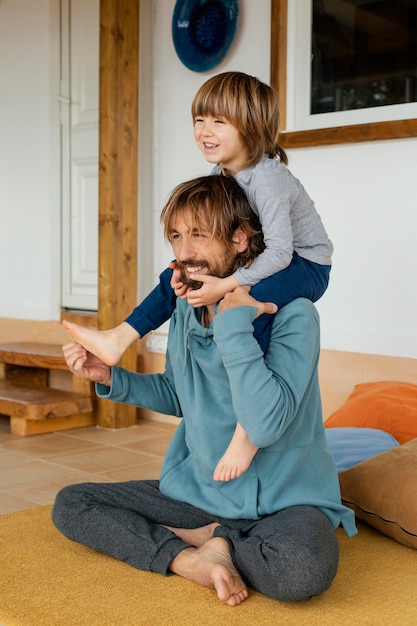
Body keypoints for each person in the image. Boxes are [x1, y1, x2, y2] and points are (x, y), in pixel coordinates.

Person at [53, 174, 357, 608]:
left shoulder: (296, 314)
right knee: (73, 504)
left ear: (238, 239)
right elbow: (180, 395)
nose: (183, 252)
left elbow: (266, 421)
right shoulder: (186, 303)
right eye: (176, 236)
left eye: (198, 234)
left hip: (283, 501)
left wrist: (234, 320)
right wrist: (110, 379)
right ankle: (191, 557)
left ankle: (217, 543)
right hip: (198, 492)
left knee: (302, 569)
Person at [63, 71, 334, 482]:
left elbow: (279, 251)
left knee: (244, 305)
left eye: (218, 122)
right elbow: (212, 237)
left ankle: (247, 432)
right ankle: (119, 336)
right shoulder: (224, 177)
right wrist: (185, 277)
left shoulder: (269, 179)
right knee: (173, 274)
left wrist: (229, 285)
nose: (205, 131)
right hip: (265, 259)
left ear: (252, 126)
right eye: (199, 119)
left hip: (304, 264)